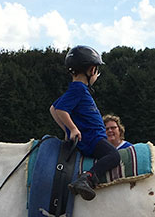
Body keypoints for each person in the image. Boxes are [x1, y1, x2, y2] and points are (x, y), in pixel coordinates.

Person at [50, 46, 120, 201]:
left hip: (90, 137)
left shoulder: (77, 89)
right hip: (92, 138)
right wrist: (73, 129)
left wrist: (67, 130)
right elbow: (61, 110)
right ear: (91, 70)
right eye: (97, 71)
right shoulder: (79, 89)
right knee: (114, 155)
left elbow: (53, 109)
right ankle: (87, 178)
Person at [103, 113, 132, 217]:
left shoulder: (128, 148)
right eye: (106, 129)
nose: (110, 131)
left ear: (120, 130)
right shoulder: (102, 150)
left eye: (113, 128)